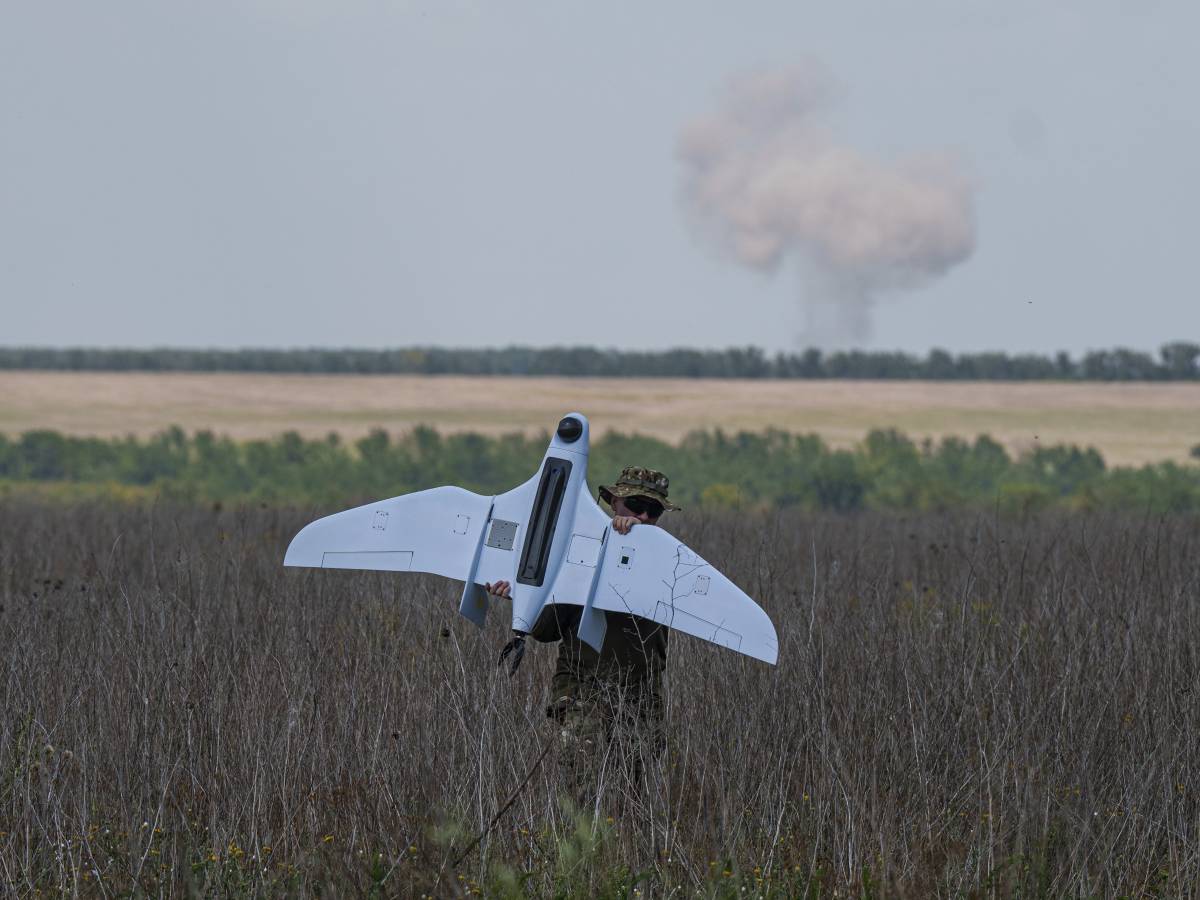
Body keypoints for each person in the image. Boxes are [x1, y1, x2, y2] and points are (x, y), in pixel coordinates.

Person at [484, 466, 680, 808]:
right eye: (635, 505)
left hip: (639, 695)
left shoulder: (669, 559)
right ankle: (575, 858)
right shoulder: (584, 551)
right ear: (614, 503)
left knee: (630, 797)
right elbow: (547, 630)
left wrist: (634, 547)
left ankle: (621, 858)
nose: (645, 516)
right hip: (582, 689)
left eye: (655, 511)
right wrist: (521, 600)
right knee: (581, 792)